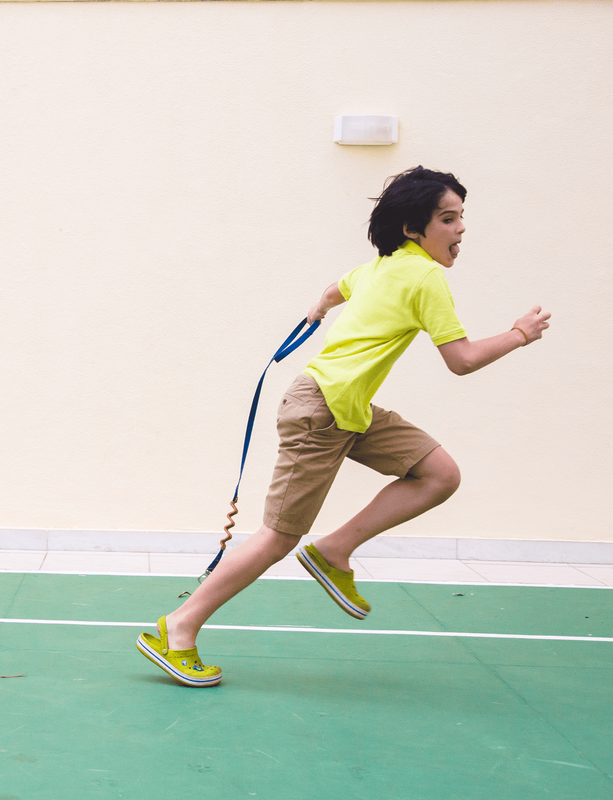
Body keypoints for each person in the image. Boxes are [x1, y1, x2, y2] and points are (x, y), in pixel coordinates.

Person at [136, 166, 551, 687]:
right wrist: (520, 333)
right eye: (448, 218)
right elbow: (461, 360)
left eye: (462, 217)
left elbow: (338, 287)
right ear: (411, 229)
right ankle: (178, 627)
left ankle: (334, 550)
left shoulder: (380, 267)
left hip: (346, 407)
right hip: (322, 409)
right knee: (276, 537)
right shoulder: (425, 276)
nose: (461, 228)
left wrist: (318, 306)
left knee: (439, 474)